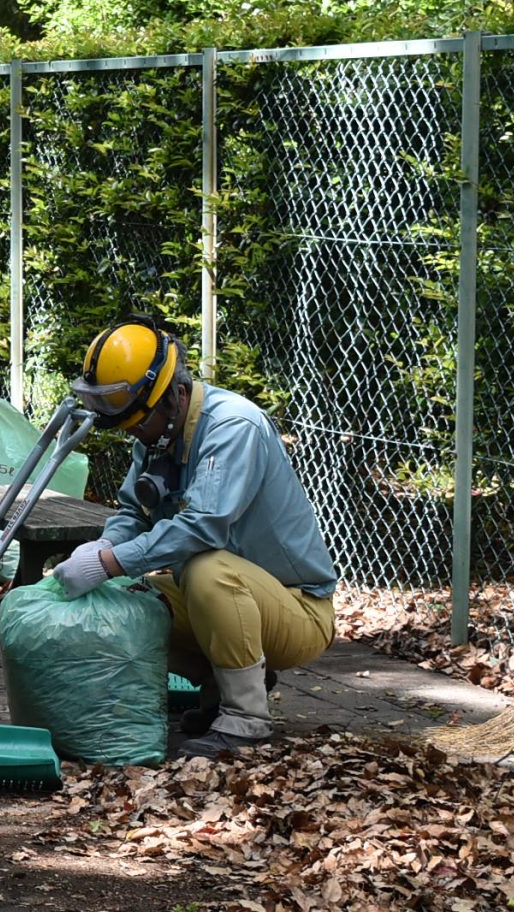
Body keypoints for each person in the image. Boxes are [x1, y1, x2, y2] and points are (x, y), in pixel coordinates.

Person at [50, 319, 339, 760]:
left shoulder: (233, 426)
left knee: (207, 569)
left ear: (172, 396)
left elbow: (204, 526)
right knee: (122, 599)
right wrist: (101, 550)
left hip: (297, 609)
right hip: (230, 599)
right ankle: (219, 692)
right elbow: (132, 511)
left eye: (137, 423)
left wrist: (109, 562)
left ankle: (246, 718)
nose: (133, 433)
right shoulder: (157, 430)